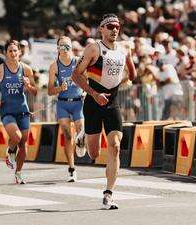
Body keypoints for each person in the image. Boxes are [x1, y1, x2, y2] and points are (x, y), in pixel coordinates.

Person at [71, 14, 136, 209]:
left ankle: (108, 194)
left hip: (112, 103)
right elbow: (76, 74)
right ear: (101, 29)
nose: (114, 29)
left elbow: (132, 73)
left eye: (117, 26)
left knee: (115, 146)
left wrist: (128, 76)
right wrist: (93, 92)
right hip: (92, 102)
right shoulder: (93, 48)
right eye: (110, 26)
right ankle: (82, 136)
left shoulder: (125, 49)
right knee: (93, 153)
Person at [0, 40, 37, 184]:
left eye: (16, 50)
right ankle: (10, 151)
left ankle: (18, 173)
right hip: (7, 111)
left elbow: (35, 91)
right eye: (10, 51)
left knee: (23, 144)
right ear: (6, 53)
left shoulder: (26, 69)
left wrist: (28, 86)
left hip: (23, 110)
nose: (13, 53)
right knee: (16, 137)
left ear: (20, 52)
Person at [47, 36, 86, 182]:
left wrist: (85, 90)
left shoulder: (78, 62)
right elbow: (50, 90)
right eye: (61, 45)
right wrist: (59, 88)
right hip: (63, 103)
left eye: (67, 45)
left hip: (78, 103)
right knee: (67, 136)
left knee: (81, 131)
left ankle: (81, 142)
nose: (64, 48)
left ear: (71, 46)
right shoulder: (54, 66)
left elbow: (87, 80)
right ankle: (71, 168)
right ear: (57, 48)